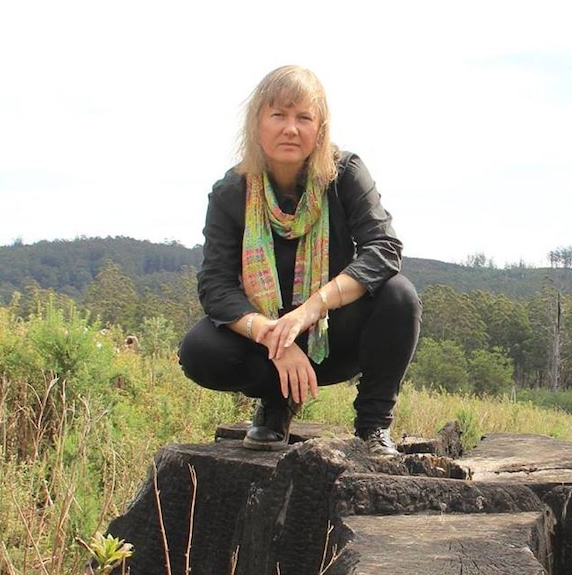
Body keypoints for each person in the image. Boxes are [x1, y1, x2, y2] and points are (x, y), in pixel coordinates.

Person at [178, 65, 421, 456]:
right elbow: (215, 286)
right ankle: (276, 405)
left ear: (320, 129)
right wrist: (276, 338)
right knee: (201, 350)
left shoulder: (345, 175)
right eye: (278, 115)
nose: (291, 128)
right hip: (267, 343)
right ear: (257, 124)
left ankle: (373, 428)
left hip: (335, 338)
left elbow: (384, 248)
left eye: (303, 117)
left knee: (399, 295)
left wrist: (310, 310)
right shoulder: (231, 192)